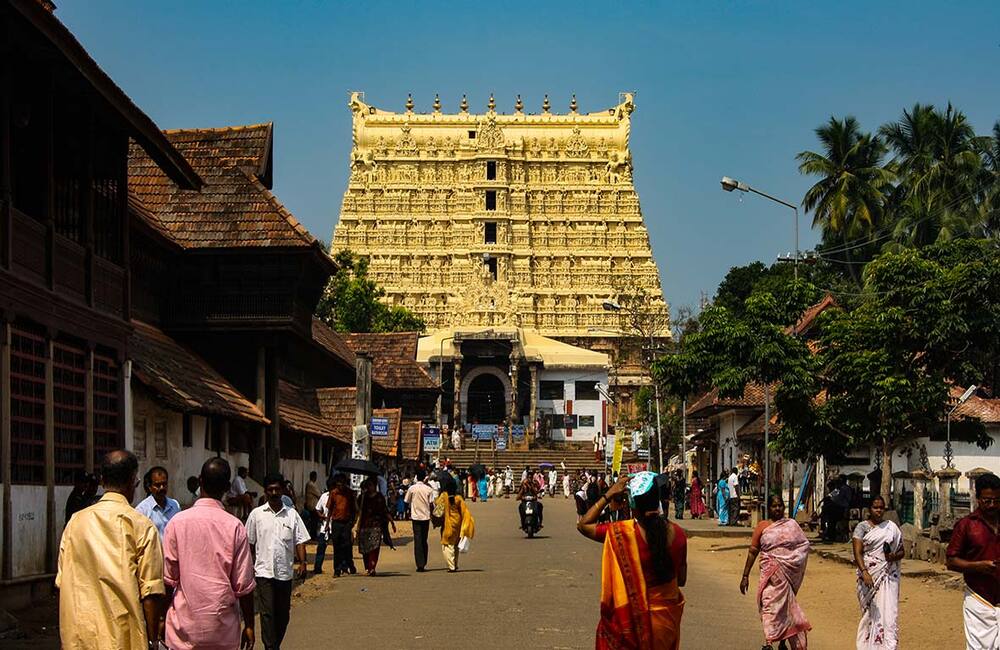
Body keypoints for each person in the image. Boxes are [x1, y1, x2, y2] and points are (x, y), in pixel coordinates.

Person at [57, 450, 165, 650]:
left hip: (79, 638)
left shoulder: (75, 523)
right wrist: (153, 640)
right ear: (133, 481)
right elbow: (151, 592)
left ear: (102, 480)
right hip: (123, 638)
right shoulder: (141, 526)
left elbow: (62, 581)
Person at [577, 472, 687, 648]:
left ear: (633, 505)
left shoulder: (622, 533)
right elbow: (681, 580)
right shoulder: (679, 534)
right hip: (665, 627)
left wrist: (609, 494)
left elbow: (584, 525)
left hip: (631, 626)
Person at [163, 457, 256, 650]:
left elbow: (167, 580)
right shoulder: (235, 526)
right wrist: (250, 624)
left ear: (200, 481)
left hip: (183, 631)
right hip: (222, 632)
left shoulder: (177, 523)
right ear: (226, 487)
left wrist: (159, 618)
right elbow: (244, 585)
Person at [245, 473, 309, 650]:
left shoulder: (292, 515)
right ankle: (270, 647)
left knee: (283, 615)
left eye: (277, 489)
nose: (274, 493)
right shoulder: (256, 515)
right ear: (265, 491)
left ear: (282, 490)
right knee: (267, 614)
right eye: (270, 489)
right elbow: (249, 544)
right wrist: (248, 567)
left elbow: (300, 540)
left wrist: (303, 563)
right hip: (263, 572)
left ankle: (274, 645)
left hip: (284, 574)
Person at [740, 495, 811, 650]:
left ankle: (782, 642)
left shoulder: (791, 525)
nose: (777, 509)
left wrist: (791, 561)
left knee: (784, 609)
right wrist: (745, 575)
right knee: (768, 606)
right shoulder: (762, 526)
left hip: (787, 576)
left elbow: (803, 546)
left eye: (780, 506)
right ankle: (769, 641)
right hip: (769, 577)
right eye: (774, 506)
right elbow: (753, 551)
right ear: (769, 508)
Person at [946, 472, 1000, 649]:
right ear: (978, 498)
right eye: (987, 500)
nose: (992, 505)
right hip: (979, 598)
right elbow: (951, 561)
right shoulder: (967, 525)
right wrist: (978, 566)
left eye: (997, 500)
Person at [852, 495, 904, 649]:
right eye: (875, 507)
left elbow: (902, 551)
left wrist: (892, 556)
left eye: (881, 508)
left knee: (889, 615)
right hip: (869, 575)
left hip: (887, 576)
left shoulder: (891, 528)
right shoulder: (862, 527)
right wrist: (865, 572)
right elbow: (857, 552)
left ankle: (887, 646)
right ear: (870, 509)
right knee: (869, 613)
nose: (879, 511)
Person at [433, 471, 475, 572]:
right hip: (458, 523)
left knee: (447, 544)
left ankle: (451, 565)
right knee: (455, 544)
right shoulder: (458, 498)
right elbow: (465, 511)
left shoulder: (444, 496)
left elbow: (438, 508)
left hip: (448, 524)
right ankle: (455, 564)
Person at [357, 476, 395, 575]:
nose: (370, 487)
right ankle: (367, 567)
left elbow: (384, 510)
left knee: (374, 547)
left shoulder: (379, 497)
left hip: (376, 526)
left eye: (371, 485)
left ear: (375, 486)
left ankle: (372, 567)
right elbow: (358, 510)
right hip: (364, 525)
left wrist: (392, 522)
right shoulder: (362, 498)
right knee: (365, 548)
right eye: (368, 485)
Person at [135, 465, 180, 542]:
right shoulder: (142, 510)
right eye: (157, 485)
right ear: (150, 487)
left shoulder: (175, 505)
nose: (162, 488)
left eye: (164, 484)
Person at [406, 468, 436, 572]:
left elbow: (407, 500)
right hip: (425, 517)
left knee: (417, 540)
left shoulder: (412, 489)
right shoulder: (428, 489)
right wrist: (433, 516)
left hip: (415, 517)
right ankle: (423, 561)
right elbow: (431, 504)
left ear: (416, 477)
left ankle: (420, 563)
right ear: (424, 478)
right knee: (424, 539)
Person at [303, 470, 322, 539]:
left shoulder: (309, 484)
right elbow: (319, 494)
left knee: (314, 521)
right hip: (313, 505)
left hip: (311, 505)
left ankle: (313, 534)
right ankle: (313, 535)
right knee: (314, 521)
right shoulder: (311, 485)